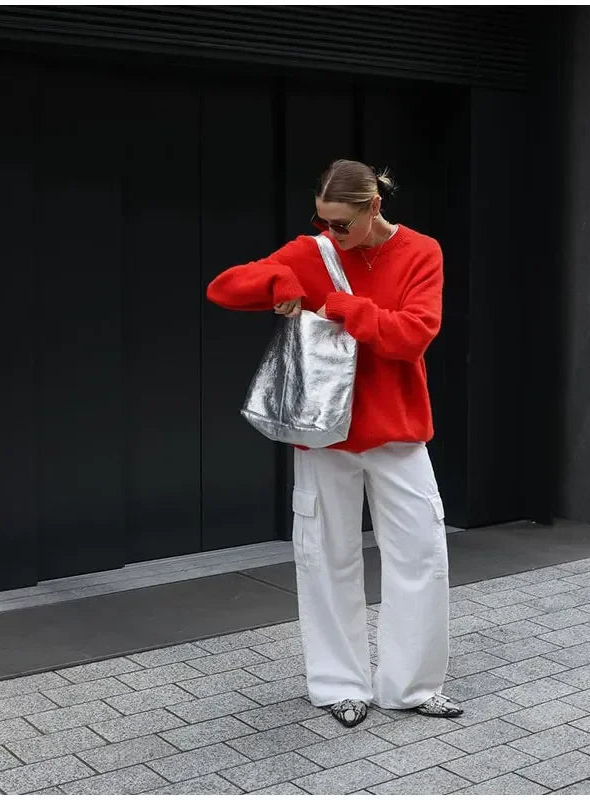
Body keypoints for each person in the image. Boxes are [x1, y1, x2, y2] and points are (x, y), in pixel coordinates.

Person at [206, 159, 461, 727]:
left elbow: (412, 334)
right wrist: (282, 282)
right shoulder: (313, 251)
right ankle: (338, 684)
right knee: (325, 556)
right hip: (323, 432)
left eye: (342, 224)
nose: (332, 233)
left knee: (421, 553)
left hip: (397, 431)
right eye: (322, 220)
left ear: (374, 207)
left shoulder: (421, 252)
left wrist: (341, 307)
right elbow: (223, 287)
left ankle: (413, 687)